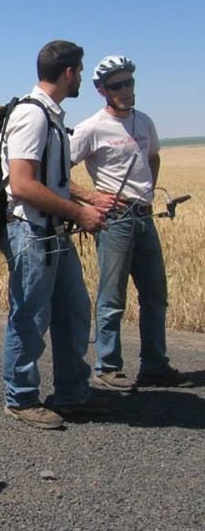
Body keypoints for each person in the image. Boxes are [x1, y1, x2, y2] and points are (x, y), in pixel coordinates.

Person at [0, 40, 110, 429]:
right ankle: (22, 398)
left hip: (51, 233)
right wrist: (80, 212)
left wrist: (89, 197)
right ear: (68, 73)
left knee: (73, 312)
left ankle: (71, 393)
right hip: (33, 233)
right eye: (79, 71)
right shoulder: (33, 117)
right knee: (29, 317)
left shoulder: (50, 116)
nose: (80, 77)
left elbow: (54, 180)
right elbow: (24, 185)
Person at [69, 55, 191, 390]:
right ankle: (108, 367)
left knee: (155, 295)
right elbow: (58, 170)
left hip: (144, 216)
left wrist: (148, 192)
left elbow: (153, 156)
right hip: (115, 221)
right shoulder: (91, 127)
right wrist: (91, 198)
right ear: (102, 90)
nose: (126, 90)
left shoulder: (145, 121)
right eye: (117, 85)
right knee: (112, 297)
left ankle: (154, 365)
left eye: (129, 82)